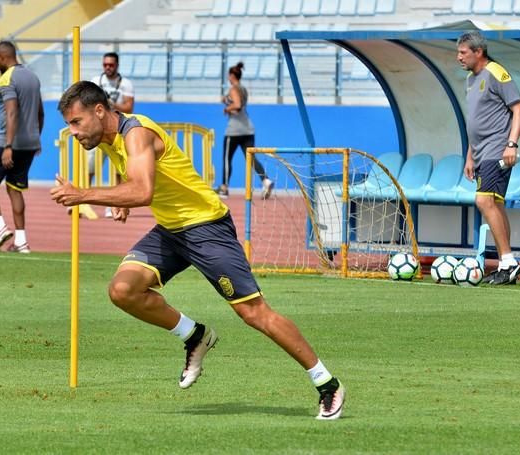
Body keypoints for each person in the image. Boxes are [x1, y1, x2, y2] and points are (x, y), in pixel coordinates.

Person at [50, 81, 345, 420]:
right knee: (122, 290)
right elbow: (134, 177)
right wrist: (121, 197)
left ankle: (327, 383)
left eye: (76, 122)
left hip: (206, 227)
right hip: (171, 230)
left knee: (253, 313)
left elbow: (143, 190)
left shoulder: (136, 133)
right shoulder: (106, 138)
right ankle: (194, 335)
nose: (73, 132)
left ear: (99, 111)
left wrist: (83, 195)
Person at [457, 31, 520, 285]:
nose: (459, 57)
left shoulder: (496, 72)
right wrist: (470, 156)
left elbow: (519, 108)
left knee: (483, 201)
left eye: (463, 53)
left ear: (479, 52)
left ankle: (508, 262)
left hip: (498, 149)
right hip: (481, 153)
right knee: (494, 204)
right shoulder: (469, 79)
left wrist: (511, 144)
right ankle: (506, 265)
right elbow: (475, 122)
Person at [0, 41, 44, 253]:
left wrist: (8, 145)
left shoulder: (7, 78)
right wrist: (36, 138)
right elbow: (40, 112)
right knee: (14, 189)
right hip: (29, 143)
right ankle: (21, 241)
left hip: (9, 142)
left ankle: (0, 227)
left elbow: (12, 111)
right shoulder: (33, 77)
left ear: (1, 57)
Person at [216, 62, 272, 200]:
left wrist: (226, 108)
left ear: (231, 75)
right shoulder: (243, 89)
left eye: (229, 75)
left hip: (234, 130)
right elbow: (237, 101)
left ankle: (224, 187)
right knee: (251, 158)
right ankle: (265, 180)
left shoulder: (233, 89)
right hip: (248, 129)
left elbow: (238, 104)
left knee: (227, 159)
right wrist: (225, 100)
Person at [90, 52, 134, 218]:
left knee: (119, 170)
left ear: (117, 65)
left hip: (118, 131)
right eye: (105, 65)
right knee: (90, 167)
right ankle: (83, 203)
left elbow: (129, 107)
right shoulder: (96, 81)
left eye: (111, 65)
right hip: (99, 132)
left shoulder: (126, 84)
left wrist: (111, 104)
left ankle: (115, 203)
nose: (108, 68)